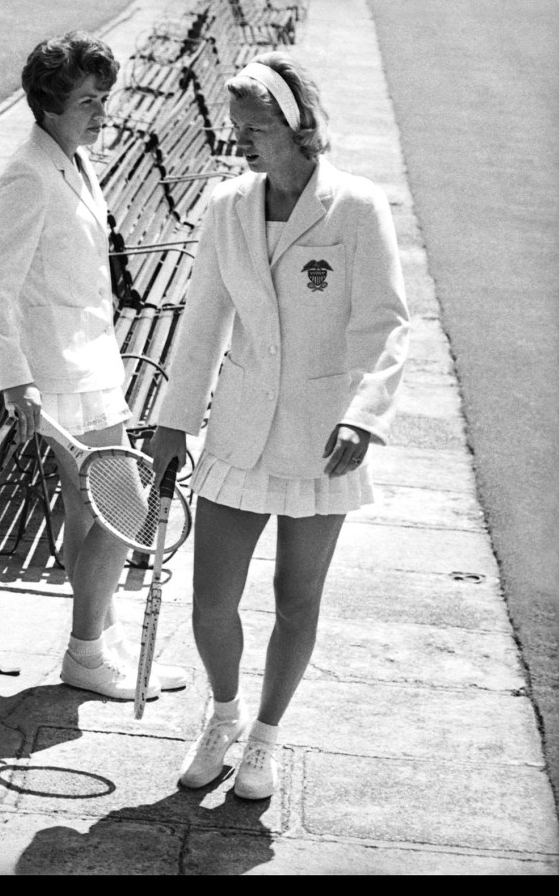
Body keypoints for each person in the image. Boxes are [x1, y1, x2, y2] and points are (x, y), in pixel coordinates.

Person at [147, 51, 409, 799]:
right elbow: (201, 323)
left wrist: (365, 418)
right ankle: (222, 714)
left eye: (256, 127)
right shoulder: (227, 206)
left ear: (298, 126)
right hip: (237, 429)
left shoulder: (358, 206)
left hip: (325, 439)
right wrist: (173, 423)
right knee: (210, 604)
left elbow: (387, 326)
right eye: (238, 129)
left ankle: (263, 737)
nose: (243, 142)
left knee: (298, 599)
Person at [0, 31, 189, 702]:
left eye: (104, 98)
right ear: (51, 105)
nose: (102, 112)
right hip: (58, 379)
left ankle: (103, 639)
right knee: (127, 506)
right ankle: (87, 652)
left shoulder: (72, 159)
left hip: (89, 364)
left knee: (93, 516)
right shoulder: (26, 176)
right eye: (89, 100)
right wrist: (13, 379)